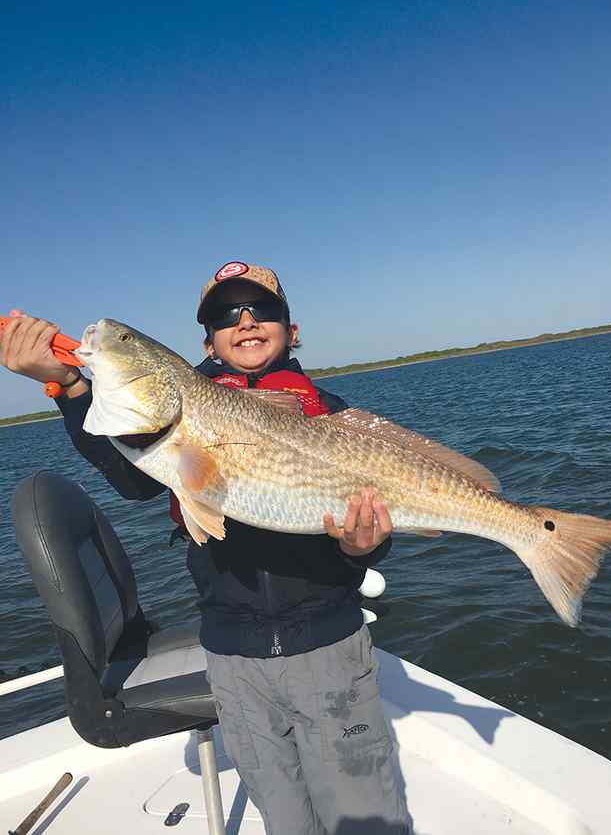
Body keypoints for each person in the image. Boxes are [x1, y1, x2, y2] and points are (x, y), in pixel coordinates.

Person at [0, 262, 411, 834]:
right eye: (225, 316)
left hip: (329, 647)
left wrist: (364, 546)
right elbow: (136, 479)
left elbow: (368, 543)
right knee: (284, 818)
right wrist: (70, 386)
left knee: (364, 815)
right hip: (231, 655)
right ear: (207, 342)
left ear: (292, 331)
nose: (244, 322)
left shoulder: (336, 418)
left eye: (261, 310)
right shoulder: (178, 415)